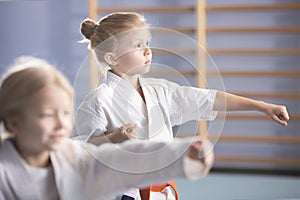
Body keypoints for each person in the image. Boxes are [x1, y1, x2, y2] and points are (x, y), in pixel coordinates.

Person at [74, 12, 290, 200]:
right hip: (123, 193)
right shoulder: (98, 101)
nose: (147, 51)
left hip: (164, 189)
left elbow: (209, 99)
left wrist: (261, 106)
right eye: (137, 45)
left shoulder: (161, 91)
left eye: (147, 43)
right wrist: (114, 138)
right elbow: (80, 148)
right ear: (113, 58)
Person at [0, 56, 215, 200]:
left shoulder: (72, 156)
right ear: (13, 122)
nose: (61, 124)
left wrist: (182, 154)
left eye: (65, 113)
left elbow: (123, 160)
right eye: (47, 115)